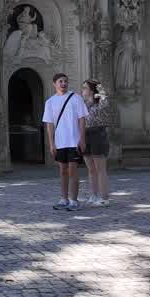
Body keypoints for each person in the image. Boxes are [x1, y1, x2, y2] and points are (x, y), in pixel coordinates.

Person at [43, 73, 88, 211]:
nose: (63, 83)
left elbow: (82, 119)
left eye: (65, 81)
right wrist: (51, 143)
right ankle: (63, 199)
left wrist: (82, 139)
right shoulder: (50, 102)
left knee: (73, 171)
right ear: (54, 84)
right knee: (62, 171)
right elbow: (49, 124)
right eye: (60, 81)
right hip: (60, 141)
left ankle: (74, 200)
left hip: (74, 141)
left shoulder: (76, 98)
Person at [81, 79, 111, 207]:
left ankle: (104, 197)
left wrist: (100, 89)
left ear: (92, 90)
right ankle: (94, 195)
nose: (83, 90)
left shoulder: (100, 102)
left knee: (100, 169)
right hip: (85, 134)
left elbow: (105, 102)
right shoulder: (82, 104)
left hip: (97, 134)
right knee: (91, 169)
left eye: (85, 88)